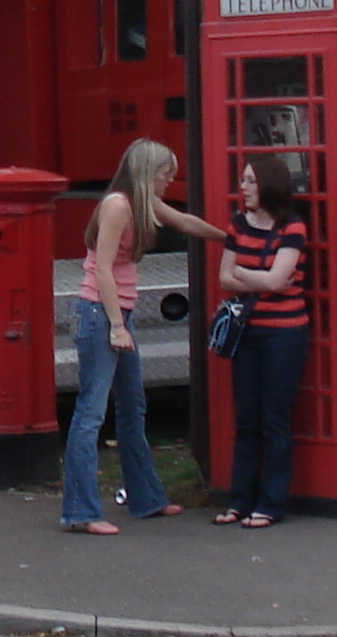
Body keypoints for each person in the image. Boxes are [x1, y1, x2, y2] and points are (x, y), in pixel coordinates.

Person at [63, 139, 226, 536]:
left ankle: (146, 498)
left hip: (118, 313)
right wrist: (118, 327)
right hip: (100, 314)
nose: (169, 179)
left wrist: (232, 238)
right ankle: (81, 511)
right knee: (91, 413)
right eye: (164, 172)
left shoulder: (143, 202)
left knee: (133, 408)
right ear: (144, 171)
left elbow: (185, 222)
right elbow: (102, 270)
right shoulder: (118, 206)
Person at [213, 154, 310, 528]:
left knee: (276, 420)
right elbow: (227, 279)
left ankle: (271, 504)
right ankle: (239, 500)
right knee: (246, 420)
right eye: (242, 180)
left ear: (269, 184)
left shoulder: (293, 227)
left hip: (286, 335)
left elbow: (271, 280)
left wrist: (243, 273)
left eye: (251, 181)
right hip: (249, 332)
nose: (244, 187)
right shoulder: (238, 224)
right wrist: (260, 277)